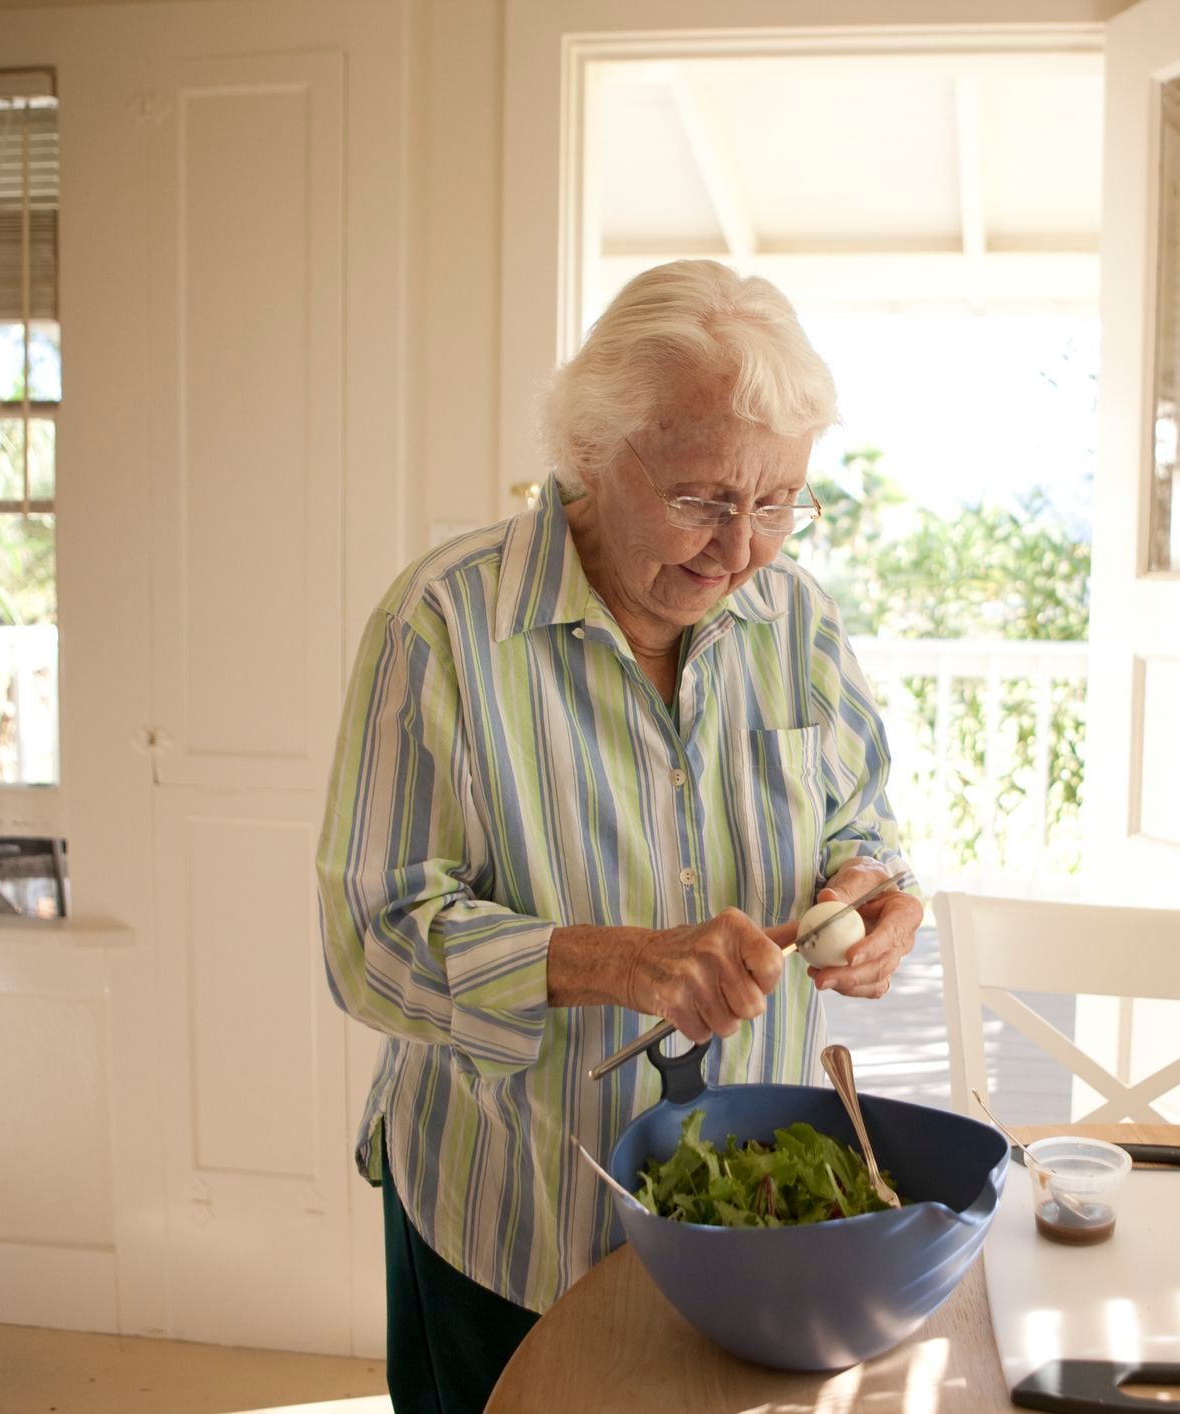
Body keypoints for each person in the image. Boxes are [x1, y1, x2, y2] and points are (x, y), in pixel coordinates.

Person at [315, 259, 921, 1413]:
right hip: (514, 1217)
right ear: (590, 453)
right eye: (702, 497)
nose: (741, 549)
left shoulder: (797, 617)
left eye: (780, 499)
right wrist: (622, 961)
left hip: (752, 1226)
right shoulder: (440, 625)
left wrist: (878, 890)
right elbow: (368, 935)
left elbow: (867, 822)